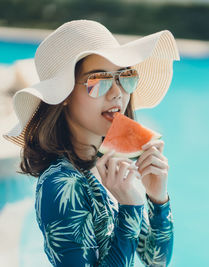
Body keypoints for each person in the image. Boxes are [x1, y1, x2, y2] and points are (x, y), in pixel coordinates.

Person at [2, 19, 180, 266]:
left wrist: (158, 198)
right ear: (63, 95)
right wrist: (130, 206)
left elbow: (154, 261)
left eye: (125, 77)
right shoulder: (61, 184)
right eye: (98, 81)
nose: (117, 92)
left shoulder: (108, 166)